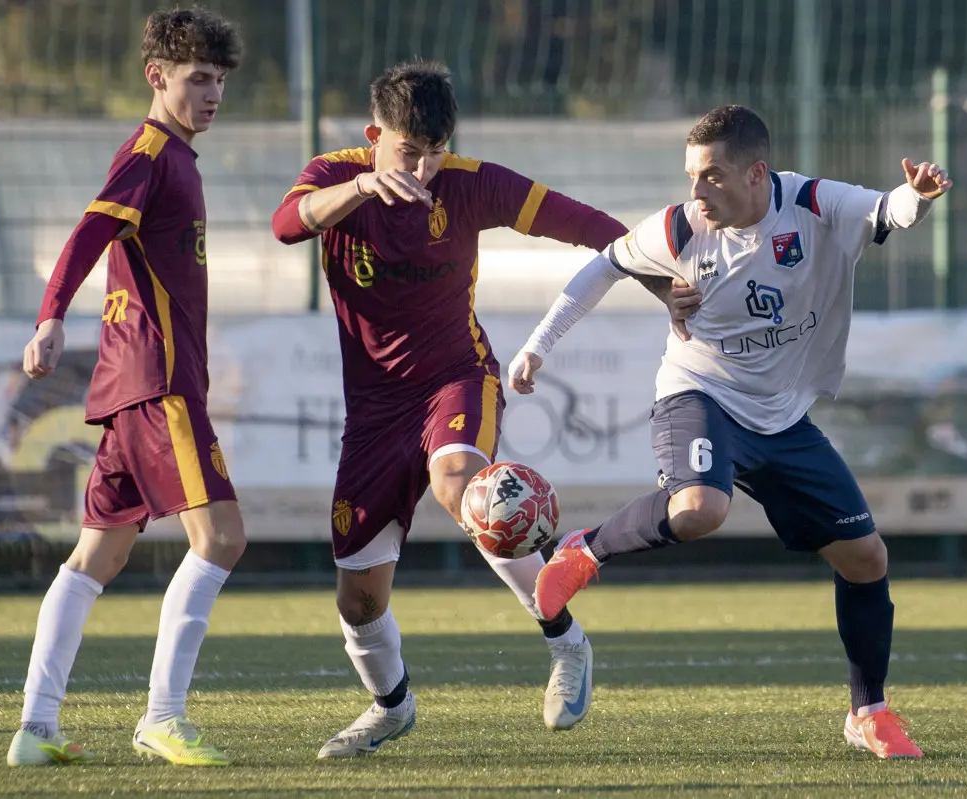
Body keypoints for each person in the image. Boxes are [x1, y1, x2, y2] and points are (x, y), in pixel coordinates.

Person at [271, 60, 698, 758]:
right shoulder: (333, 175)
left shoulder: (472, 183)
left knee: (461, 485)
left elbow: (584, 223)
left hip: (456, 376)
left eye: (437, 148)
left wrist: (656, 284)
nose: (426, 164)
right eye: (410, 151)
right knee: (358, 599)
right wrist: (357, 189)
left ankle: (567, 641)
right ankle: (391, 706)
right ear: (375, 135)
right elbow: (288, 224)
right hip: (373, 410)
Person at [509, 105, 952, 760]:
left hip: (780, 418)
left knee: (867, 560)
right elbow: (603, 265)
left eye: (711, 176)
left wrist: (916, 196)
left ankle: (869, 712)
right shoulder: (682, 228)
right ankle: (583, 549)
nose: (696, 191)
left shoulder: (814, 204)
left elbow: (887, 210)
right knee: (699, 510)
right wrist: (536, 348)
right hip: (701, 391)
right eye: (690, 175)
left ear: (756, 174)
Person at [8, 8, 246, 767]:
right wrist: (49, 318)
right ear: (157, 76)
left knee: (94, 558)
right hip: (158, 385)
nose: (212, 94)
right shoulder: (150, 154)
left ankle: (36, 727)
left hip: (130, 387)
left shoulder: (178, 158)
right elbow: (87, 233)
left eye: (219, 81)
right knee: (222, 538)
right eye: (198, 79)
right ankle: (163, 716)